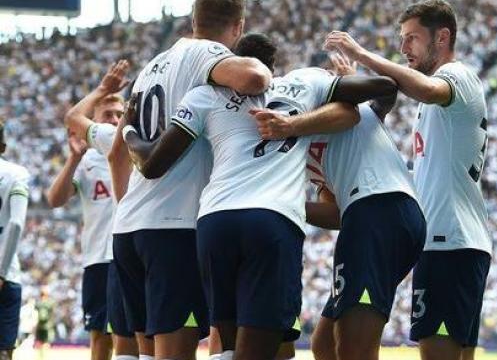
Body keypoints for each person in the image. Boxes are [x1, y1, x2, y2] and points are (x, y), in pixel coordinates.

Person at [123, 33, 398, 360]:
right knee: (269, 349)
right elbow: (383, 89)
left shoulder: (204, 95)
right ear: (273, 66)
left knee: (225, 345)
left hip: (215, 221)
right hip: (271, 220)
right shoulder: (303, 82)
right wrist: (301, 118)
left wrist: (128, 129)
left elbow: (154, 163)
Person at [109, 0, 272, 360]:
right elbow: (253, 78)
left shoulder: (151, 67)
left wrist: (128, 209)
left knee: (142, 354)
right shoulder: (204, 54)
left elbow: (118, 152)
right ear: (238, 27)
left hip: (129, 227)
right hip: (173, 227)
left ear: (193, 18)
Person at [324, 0, 491, 360]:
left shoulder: (456, 77)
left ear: (442, 37)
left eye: (412, 38)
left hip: (450, 241)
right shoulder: (435, 103)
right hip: (455, 241)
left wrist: (362, 54)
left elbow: (424, 88)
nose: (403, 48)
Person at [255, 52, 426, 360]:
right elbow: (335, 212)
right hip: (373, 215)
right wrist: (286, 203)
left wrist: (349, 82)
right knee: (325, 344)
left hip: (379, 207)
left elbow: (385, 89)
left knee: (352, 349)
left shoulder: (347, 107)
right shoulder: (302, 145)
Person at [53, 60, 143, 360]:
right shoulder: (88, 160)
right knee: (101, 340)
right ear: (93, 119)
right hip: (99, 260)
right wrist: (73, 160)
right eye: (107, 114)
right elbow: (55, 199)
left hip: (133, 251)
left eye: (119, 114)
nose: (114, 119)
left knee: (139, 334)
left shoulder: (136, 152)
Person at [0, 121, 30, 360]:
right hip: (7, 275)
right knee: (5, 352)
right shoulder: (16, 174)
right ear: (3, 145)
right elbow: (16, 223)